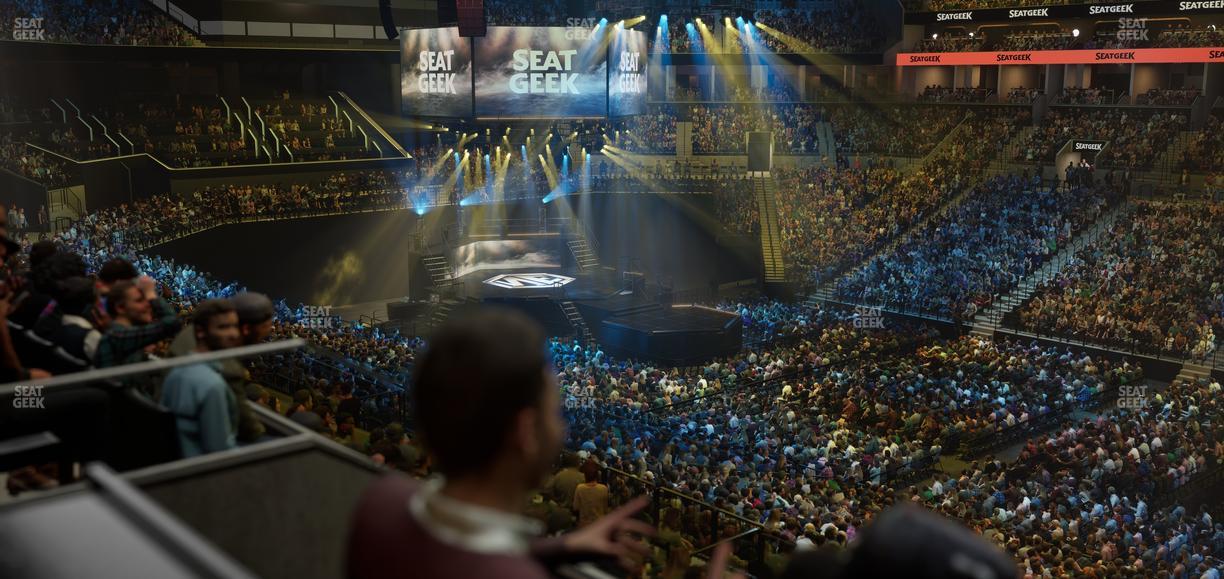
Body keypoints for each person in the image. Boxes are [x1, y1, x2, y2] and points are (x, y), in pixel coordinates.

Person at [347, 309, 655, 579]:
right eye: (553, 413)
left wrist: (564, 546)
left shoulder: (380, 502)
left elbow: (463, 558)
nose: (560, 428)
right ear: (525, 432)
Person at [170, 291, 274, 442]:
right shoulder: (227, 367)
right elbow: (248, 427)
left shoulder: (192, 332)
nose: (268, 331)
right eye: (266, 326)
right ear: (246, 329)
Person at [160, 298, 241, 458]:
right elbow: (219, 450)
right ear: (200, 332)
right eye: (223, 327)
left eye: (235, 326)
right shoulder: (212, 385)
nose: (233, 334)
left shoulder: (177, 370)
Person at [573, 462, 610, 527]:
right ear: (597, 475)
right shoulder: (603, 488)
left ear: (585, 475)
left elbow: (576, 507)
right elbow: (605, 509)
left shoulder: (580, 488)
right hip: (599, 524)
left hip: (584, 524)